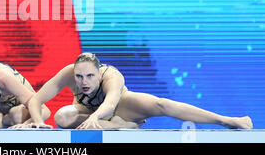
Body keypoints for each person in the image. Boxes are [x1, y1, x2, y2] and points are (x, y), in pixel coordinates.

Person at [21, 52, 253, 130]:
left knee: (162, 104)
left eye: (90, 76)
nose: (84, 81)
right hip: (90, 113)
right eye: (79, 76)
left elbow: (110, 104)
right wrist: (38, 121)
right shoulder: (67, 73)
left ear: (99, 72)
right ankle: (122, 126)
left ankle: (226, 120)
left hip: (122, 106)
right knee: (62, 116)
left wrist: (95, 117)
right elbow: (36, 99)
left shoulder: (112, 76)